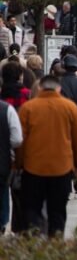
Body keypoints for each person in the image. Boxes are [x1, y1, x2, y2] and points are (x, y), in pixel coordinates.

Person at [16, 75, 77, 236]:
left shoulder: (28, 108)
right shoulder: (70, 108)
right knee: (58, 212)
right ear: (59, 89)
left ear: (40, 88)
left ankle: (35, 242)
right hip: (61, 169)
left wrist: (18, 164)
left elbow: (21, 142)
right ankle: (55, 245)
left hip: (33, 168)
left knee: (32, 209)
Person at [0, 96, 23, 234]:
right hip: (3, 161)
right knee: (3, 191)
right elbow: (17, 139)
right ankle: (2, 222)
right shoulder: (7, 109)